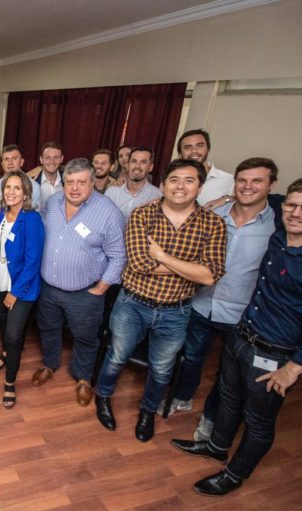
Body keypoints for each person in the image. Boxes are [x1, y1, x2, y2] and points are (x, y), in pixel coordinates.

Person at [170, 176, 302, 497]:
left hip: (275, 352)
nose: (296, 212)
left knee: (258, 420)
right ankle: (216, 447)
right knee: (229, 398)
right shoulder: (279, 238)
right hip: (242, 333)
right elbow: (258, 195)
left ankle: (234, 475)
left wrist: (295, 367)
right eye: (292, 204)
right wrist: (219, 202)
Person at [94, 159, 227, 442]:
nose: (181, 186)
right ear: (164, 184)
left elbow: (210, 275)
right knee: (116, 355)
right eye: (174, 179)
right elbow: (140, 262)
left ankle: (147, 411)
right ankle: (103, 397)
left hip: (175, 311)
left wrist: (163, 257)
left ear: (199, 186)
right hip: (132, 303)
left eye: (189, 180)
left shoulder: (213, 224)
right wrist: (189, 266)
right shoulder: (142, 214)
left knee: (162, 367)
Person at [161, 158, 278, 428]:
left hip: (241, 312)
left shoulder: (277, 226)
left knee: (228, 371)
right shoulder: (212, 215)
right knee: (190, 356)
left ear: (271, 185)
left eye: (257, 181)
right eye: (242, 180)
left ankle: (211, 418)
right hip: (202, 302)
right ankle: (182, 396)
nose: (248, 187)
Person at [32, 158, 126, 406]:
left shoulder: (108, 213)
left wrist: (102, 288)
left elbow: (118, 256)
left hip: (85, 293)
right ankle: (49, 364)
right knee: (48, 329)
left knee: (85, 337)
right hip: (49, 288)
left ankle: (83, 378)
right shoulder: (52, 203)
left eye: (81, 182)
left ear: (93, 183)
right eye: (69, 182)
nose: (74, 188)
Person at [0, 170, 45, 408]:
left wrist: (15, 292)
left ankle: (10, 382)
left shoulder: (32, 220)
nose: (11, 192)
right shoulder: (1, 214)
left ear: (26, 193)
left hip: (21, 288)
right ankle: (6, 353)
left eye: (17, 188)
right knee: (3, 323)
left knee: (14, 334)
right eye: (7, 187)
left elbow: (33, 261)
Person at [0, 145, 42, 234]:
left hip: (24, 239)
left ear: (22, 162)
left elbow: (35, 219)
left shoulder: (34, 187)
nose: (10, 163)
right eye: (6, 159)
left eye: (14, 158)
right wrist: (0, 238)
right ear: (2, 164)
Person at [177, 129, 234, 205]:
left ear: (208, 149)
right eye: (187, 147)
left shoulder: (229, 180)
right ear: (180, 153)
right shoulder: (171, 179)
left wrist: (229, 198)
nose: (194, 151)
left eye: (200, 146)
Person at [105, 146, 162, 221]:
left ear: (151, 167)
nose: (137, 166)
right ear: (128, 165)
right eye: (134, 161)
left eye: (143, 162)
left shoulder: (157, 196)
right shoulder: (112, 192)